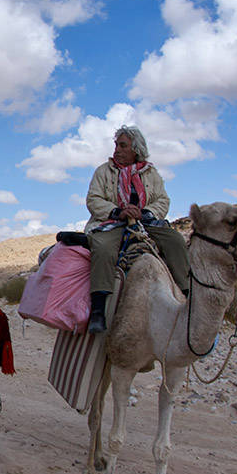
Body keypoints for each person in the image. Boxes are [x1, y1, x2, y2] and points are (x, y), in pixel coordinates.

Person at [85, 125, 190, 333]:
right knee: (103, 247)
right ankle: (98, 309)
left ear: (136, 149)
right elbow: (93, 199)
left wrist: (145, 213)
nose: (117, 149)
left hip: (146, 222)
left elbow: (162, 200)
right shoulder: (103, 171)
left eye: (123, 145)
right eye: (116, 145)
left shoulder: (151, 174)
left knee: (176, 241)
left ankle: (187, 293)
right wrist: (118, 211)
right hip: (113, 222)